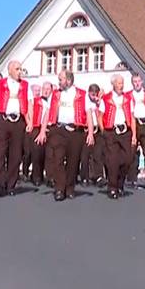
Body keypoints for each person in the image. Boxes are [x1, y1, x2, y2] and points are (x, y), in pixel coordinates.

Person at [37, 70, 94, 201]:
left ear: (68, 80)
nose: (59, 82)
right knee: (57, 158)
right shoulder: (56, 94)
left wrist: (90, 133)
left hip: (76, 131)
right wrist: (42, 131)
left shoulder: (82, 94)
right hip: (58, 129)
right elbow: (47, 113)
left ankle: (69, 188)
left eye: (61, 79)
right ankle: (59, 188)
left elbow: (89, 114)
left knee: (73, 161)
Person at [0, 60, 32, 196]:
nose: (20, 72)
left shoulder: (25, 85)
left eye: (21, 69)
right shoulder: (0, 84)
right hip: (3, 119)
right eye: (17, 69)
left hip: (18, 121)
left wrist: (30, 121)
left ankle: (11, 185)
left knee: (16, 154)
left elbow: (29, 103)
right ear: (10, 71)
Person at [98, 74, 135, 200]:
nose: (121, 85)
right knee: (113, 161)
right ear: (113, 84)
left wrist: (134, 134)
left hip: (125, 131)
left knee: (127, 159)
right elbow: (99, 115)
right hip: (111, 132)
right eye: (119, 83)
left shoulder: (128, 99)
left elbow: (132, 116)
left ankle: (120, 184)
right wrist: (103, 130)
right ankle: (112, 187)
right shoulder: (106, 98)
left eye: (122, 83)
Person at [126, 73, 145, 191]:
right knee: (132, 151)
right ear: (132, 83)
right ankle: (132, 179)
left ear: (142, 82)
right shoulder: (128, 95)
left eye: (138, 81)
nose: (137, 83)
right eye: (134, 81)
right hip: (134, 124)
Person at [80, 83, 105, 186]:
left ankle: (98, 176)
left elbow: (101, 115)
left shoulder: (100, 102)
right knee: (85, 155)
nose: (94, 97)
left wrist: (99, 105)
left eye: (95, 94)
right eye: (92, 94)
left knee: (98, 154)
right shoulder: (85, 101)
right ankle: (85, 177)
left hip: (97, 129)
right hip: (86, 130)